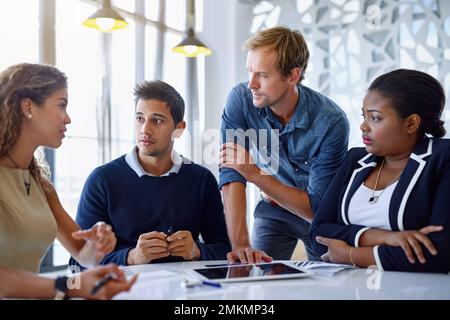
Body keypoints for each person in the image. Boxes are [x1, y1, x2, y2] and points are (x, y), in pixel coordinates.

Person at [0, 63, 136, 299]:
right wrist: (70, 285)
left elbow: (84, 255)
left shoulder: (40, 182)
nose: (68, 118)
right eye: (61, 105)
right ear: (28, 107)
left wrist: (98, 242)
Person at [218, 26, 349, 263]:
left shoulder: (332, 122)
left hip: (319, 217)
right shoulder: (241, 99)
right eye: (250, 71)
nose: (251, 84)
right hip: (273, 210)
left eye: (263, 75)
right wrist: (241, 245)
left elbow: (317, 208)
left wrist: (256, 175)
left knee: (331, 284)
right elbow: (231, 171)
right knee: (254, 275)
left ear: (293, 75)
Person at [72, 80, 231, 267]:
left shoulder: (202, 180)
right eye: (140, 118)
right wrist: (131, 257)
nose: (145, 130)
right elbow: (78, 263)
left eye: (157, 120)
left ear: (179, 130)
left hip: (186, 291)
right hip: (124, 291)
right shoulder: (101, 180)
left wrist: (197, 251)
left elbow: (225, 250)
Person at [310, 69, 450, 273]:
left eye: (375, 118)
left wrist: (350, 255)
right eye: (363, 115)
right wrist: (384, 237)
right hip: (351, 289)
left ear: (411, 123)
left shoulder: (442, 158)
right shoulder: (355, 160)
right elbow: (318, 233)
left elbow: (439, 252)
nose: (363, 126)